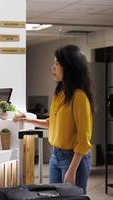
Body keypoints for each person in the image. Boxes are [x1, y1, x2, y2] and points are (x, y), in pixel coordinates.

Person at [14, 45, 93, 194]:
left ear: (69, 67)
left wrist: (72, 170)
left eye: (57, 64)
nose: (53, 67)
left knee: (71, 197)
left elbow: (84, 139)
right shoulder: (60, 93)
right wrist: (27, 119)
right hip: (55, 156)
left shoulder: (79, 96)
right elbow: (53, 123)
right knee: (54, 196)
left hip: (73, 158)